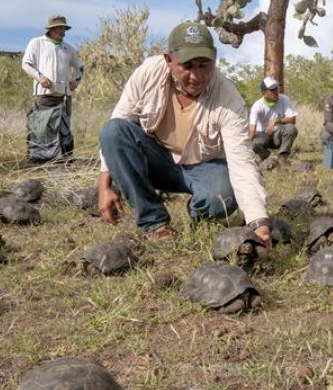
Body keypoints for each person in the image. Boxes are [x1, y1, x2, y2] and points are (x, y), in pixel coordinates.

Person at [97, 21, 271, 245]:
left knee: (222, 198)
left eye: (204, 65)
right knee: (113, 130)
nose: (196, 76)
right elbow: (118, 125)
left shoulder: (228, 98)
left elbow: (242, 162)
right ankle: (155, 223)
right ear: (169, 60)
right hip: (157, 158)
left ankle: (200, 215)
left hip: (204, 166)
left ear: (215, 58)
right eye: (187, 66)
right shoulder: (148, 73)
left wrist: (259, 223)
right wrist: (104, 186)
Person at [21, 15, 84, 162]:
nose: (62, 31)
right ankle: (38, 158)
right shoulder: (37, 43)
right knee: (41, 126)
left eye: (63, 28)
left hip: (64, 95)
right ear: (51, 29)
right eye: (58, 28)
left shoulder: (68, 49)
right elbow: (26, 64)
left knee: (64, 127)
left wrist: (76, 81)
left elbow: (80, 67)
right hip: (44, 94)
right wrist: (40, 78)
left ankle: (65, 158)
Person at [247, 76, 299, 161]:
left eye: (276, 88)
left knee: (291, 128)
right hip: (263, 135)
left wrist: (275, 120)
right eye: (272, 90)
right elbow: (252, 132)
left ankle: (283, 157)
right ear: (264, 93)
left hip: (278, 135)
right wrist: (245, 147)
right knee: (254, 144)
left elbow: (293, 120)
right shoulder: (257, 106)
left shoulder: (284, 99)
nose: (276, 92)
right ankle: (266, 157)